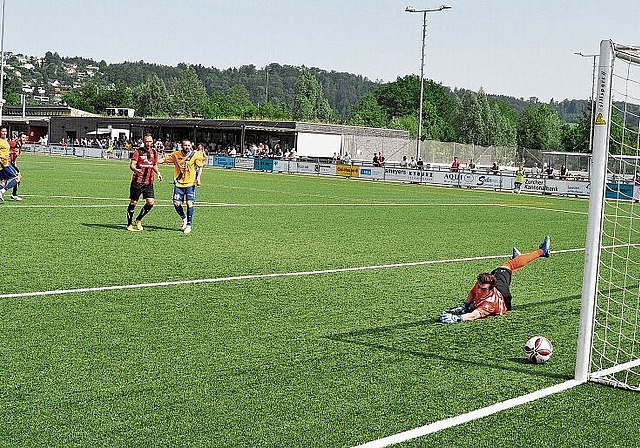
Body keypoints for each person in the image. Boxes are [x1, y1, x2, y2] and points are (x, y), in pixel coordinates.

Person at [439, 236, 551, 323]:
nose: (479, 289)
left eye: (483, 289)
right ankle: (518, 259)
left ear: (492, 288)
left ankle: (542, 252)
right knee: (506, 267)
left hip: (502, 295)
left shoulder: (490, 303)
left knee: (508, 266)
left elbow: (475, 315)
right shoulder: (480, 285)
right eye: (479, 286)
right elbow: (472, 293)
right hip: (493, 292)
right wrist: (465, 306)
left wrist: (458, 318)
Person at [160, 138, 205, 234]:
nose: (187, 147)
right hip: (179, 183)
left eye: (189, 145)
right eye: (185, 145)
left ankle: (189, 225)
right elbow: (164, 160)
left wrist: (198, 178)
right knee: (176, 204)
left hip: (191, 183)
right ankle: (184, 218)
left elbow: (200, 167)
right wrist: (153, 162)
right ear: (182, 146)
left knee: (189, 203)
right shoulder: (176, 154)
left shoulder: (195, 155)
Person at [127, 133, 162, 231]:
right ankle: (129, 224)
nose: (149, 143)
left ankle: (138, 219)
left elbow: (154, 164)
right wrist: (135, 170)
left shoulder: (154, 152)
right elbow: (132, 165)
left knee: (150, 202)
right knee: (134, 202)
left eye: (150, 141)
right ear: (143, 141)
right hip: (137, 181)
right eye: (147, 141)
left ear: (152, 141)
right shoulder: (138, 152)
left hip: (149, 182)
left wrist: (158, 173)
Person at [0, 127, 21, 202]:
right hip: (3, 164)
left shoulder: (5, 140)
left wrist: (11, 153)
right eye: (3, 131)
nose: (4, 133)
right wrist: (3, 156)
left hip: (4, 163)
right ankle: (2, 191)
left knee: (4, 181)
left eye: (5, 131)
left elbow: (5, 151)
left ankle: (3, 191)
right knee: (18, 177)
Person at [8, 132, 28, 200]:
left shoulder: (20, 145)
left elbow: (14, 158)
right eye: (23, 137)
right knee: (17, 177)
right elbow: (5, 145)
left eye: (25, 138)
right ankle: (10, 193)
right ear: (19, 138)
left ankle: (14, 194)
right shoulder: (14, 143)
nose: (24, 139)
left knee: (17, 177)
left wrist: (16, 167)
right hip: (7, 162)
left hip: (11, 163)